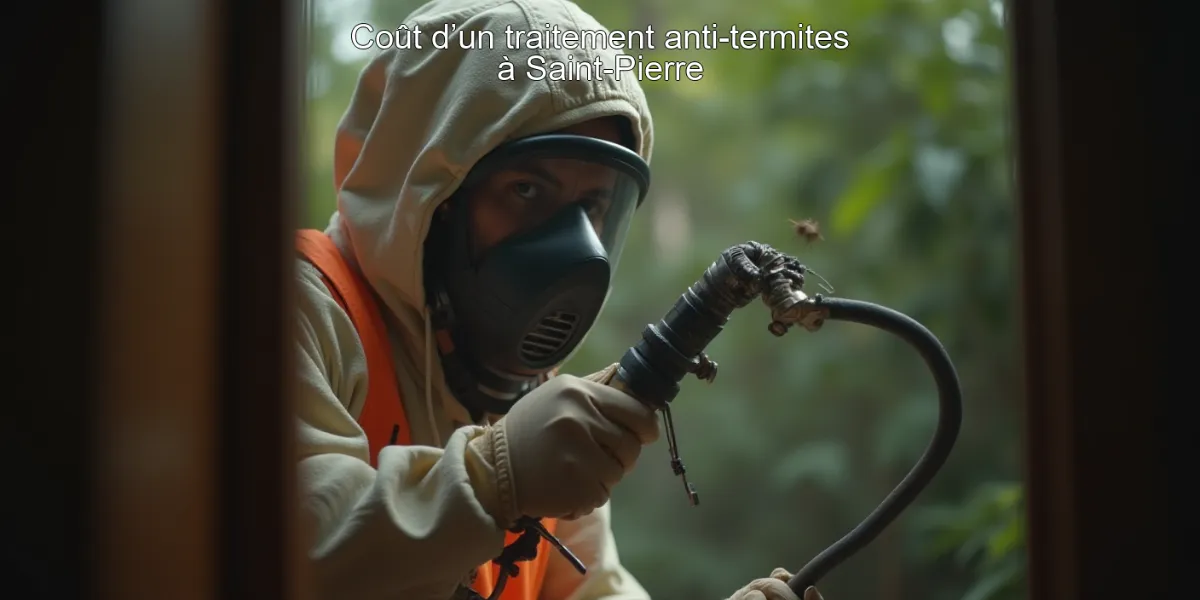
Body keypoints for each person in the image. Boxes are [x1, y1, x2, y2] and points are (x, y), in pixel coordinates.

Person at [294, 1, 828, 599]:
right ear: (427, 193)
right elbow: (273, 544)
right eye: (526, 189)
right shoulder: (294, 310)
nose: (571, 251)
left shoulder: (532, 414)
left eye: (593, 208)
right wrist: (491, 479)